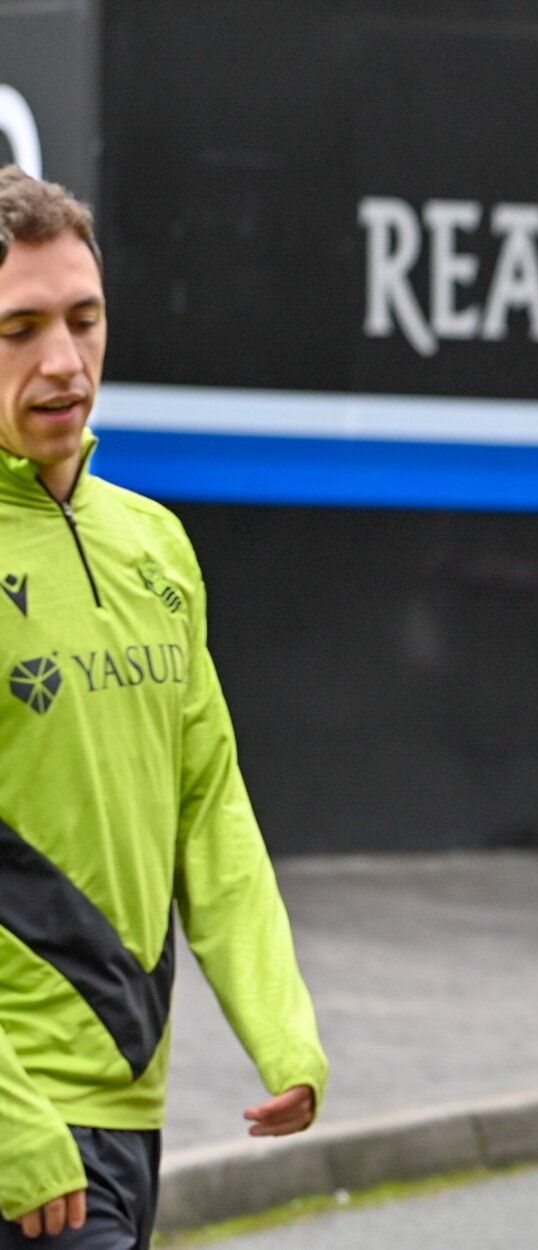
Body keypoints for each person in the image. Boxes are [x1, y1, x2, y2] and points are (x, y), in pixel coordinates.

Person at [0, 167, 327, 1249]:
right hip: (23, 1125)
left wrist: (283, 1029)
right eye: (19, 330)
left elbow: (209, 808)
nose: (63, 360)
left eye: (84, 319)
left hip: (128, 1123)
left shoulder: (155, 544)